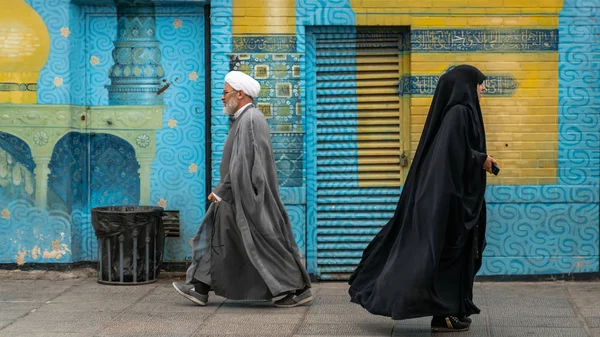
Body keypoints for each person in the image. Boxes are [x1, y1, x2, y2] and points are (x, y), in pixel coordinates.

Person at [348, 65, 498, 332]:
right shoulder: (460, 113)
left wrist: (477, 159)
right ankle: (445, 315)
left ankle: (450, 312)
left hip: (446, 198)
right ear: (466, 86)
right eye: (479, 83)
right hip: (448, 201)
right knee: (447, 257)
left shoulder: (457, 113)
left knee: (448, 256)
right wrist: (481, 159)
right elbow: (451, 154)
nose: (483, 88)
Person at [173, 71, 312, 308]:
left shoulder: (250, 119)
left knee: (266, 242)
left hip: (245, 196)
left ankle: (298, 288)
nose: (221, 97)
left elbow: (245, 161)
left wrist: (222, 190)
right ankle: (200, 288)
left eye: (225, 92)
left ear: (240, 93)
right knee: (222, 238)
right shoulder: (243, 119)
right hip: (237, 195)